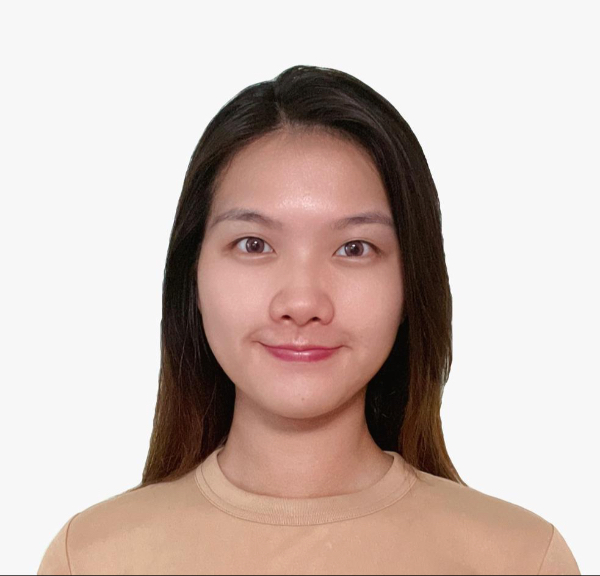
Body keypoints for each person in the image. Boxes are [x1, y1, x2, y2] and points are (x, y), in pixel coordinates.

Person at [38, 65, 580, 575]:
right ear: (192, 276)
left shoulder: (520, 558)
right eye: (253, 244)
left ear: (411, 284)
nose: (301, 302)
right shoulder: (90, 557)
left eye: (354, 248)